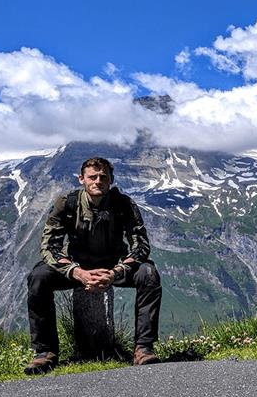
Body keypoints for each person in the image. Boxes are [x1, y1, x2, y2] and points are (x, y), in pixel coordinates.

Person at [24, 157, 162, 374]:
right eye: (92, 177)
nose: (98, 181)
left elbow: (141, 246)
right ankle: (45, 352)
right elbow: (49, 247)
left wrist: (116, 273)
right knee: (38, 277)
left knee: (149, 274)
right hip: (75, 267)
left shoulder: (124, 204)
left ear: (111, 180)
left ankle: (143, 348)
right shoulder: (66, 204)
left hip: (114, 267)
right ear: (82, 179)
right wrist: (77, 273)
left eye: (103, 177)